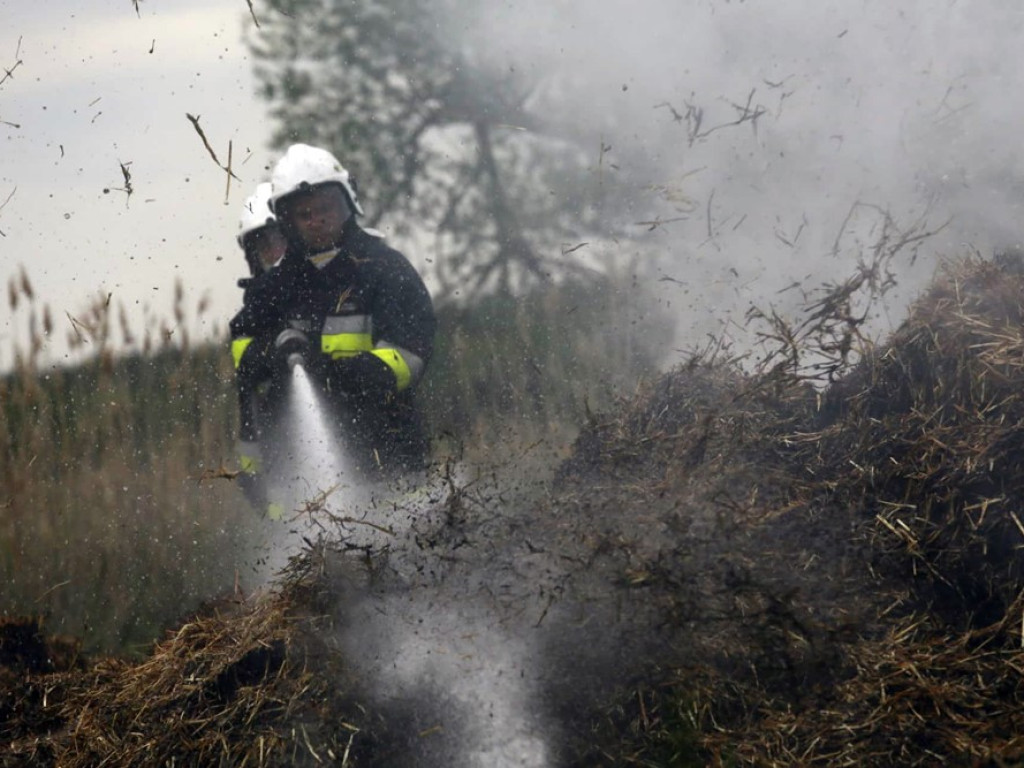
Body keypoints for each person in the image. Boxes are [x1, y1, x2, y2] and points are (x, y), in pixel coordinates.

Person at [229, 144, 436, 514]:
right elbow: (242, 351)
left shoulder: (384, 269)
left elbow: (408, 357)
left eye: (325, 208)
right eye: (304, 213)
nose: (316, 220)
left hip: (388, 463)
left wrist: (329, 374)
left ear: (347, 203)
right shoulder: (274, 286)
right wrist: (273, 351)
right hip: (305, 483)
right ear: (287, 221)